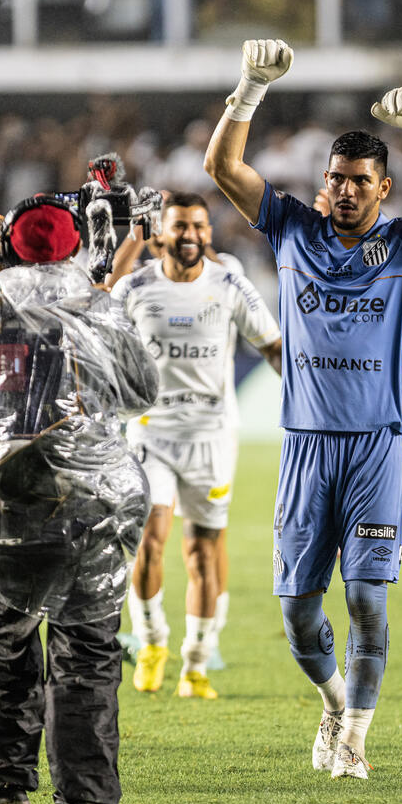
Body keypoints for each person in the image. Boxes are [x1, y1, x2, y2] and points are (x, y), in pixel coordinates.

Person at [203, 39, 402, 779]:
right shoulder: (293, 227)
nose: (345, 191)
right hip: (304, 450)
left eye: (360, 181)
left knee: (366, 599)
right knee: (299, 614)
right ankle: (334, 704)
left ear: (384, 190)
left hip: (374, 451)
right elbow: (221, 169)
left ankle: (355, 740)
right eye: (336, 180)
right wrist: (250, 86)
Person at [0, 196, 160, 804]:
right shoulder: (100, 306)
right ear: (74, 247)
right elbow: (140, 390)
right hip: (94, 506)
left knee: (9, 642)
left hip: (8, 501)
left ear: (9, 245)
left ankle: (1, 783)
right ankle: (88, 797)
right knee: (89, 650)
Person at [114, 191, 281, 700]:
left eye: (198, 227)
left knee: (203, 551)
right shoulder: (135, 286)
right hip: (150, 432)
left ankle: (196, 661)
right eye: (180, 227)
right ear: (160, 233)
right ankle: (151, 642)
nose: (190, 235)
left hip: (211, 437)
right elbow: (94, 321)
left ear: (209, 233)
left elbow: (273, 345)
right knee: (150, 536)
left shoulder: (229, 282)